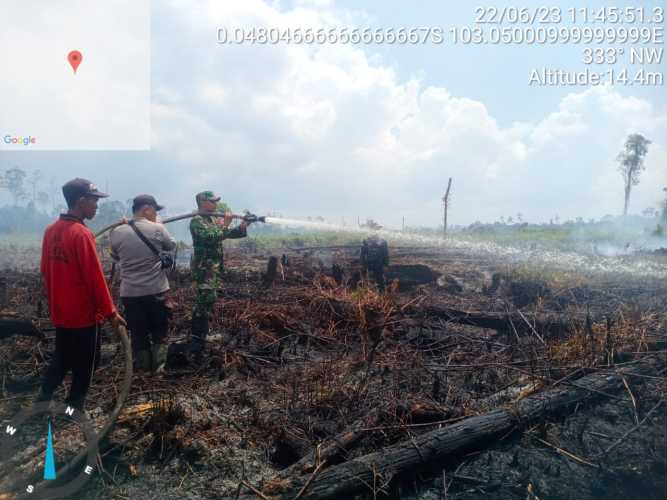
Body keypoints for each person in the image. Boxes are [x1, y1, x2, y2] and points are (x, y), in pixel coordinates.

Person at [37, 178, 126, 410]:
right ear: (80, 201)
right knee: (86, 364)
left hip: (61, 313)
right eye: (94, 200)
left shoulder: (50, 231)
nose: (97, 205)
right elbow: (95, 278)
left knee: (62, 357)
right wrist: (111, 313)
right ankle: (73, 409)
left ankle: (43, 397)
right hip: (83, 316)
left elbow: (45, 271)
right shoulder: (81, 234)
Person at [110, 194, 176, 373]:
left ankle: (143, 369)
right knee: (159, 333)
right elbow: (170, 246)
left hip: (130, 294)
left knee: (138, 334)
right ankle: (159, 368)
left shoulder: (117, 231)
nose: (156, 214)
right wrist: (159, 225)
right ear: (146, 209)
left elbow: (115, 256)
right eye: (155, 211)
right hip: (156, 292)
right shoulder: (157, 228)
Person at [189, 191, 250, 359]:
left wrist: (244, 225)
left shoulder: (212, 219)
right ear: (202, 202)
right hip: (204, 268)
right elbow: (211, 237)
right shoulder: (196, 222)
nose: (216, 204)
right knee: (205, 299)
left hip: (213, 268)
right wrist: (225, 225)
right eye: (212, 201)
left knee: (209, 298)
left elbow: (228, 234)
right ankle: (197, 338)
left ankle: (203, 334)